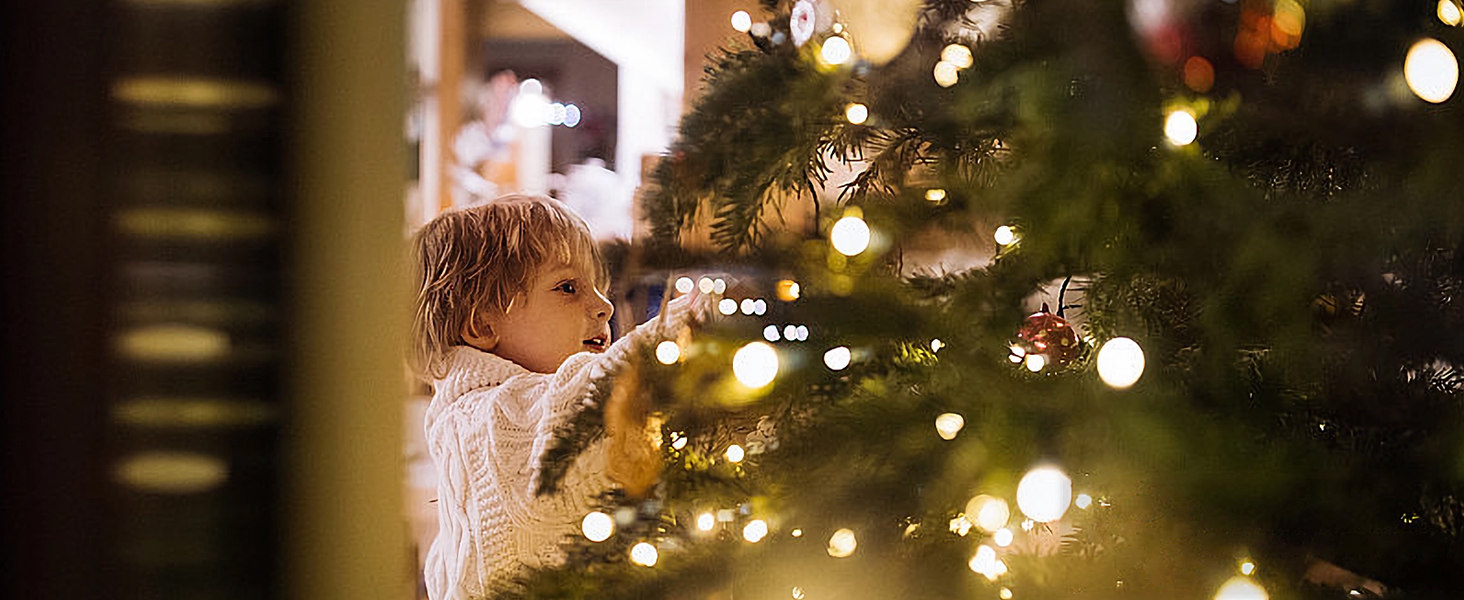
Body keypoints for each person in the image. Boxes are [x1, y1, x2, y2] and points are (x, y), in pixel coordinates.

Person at [408, 194, 702, 599]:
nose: (603, 306)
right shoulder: (485, 422)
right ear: (480, 324)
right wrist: (704, 317)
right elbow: (593, 397)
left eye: (600, 288)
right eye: (568, 288)